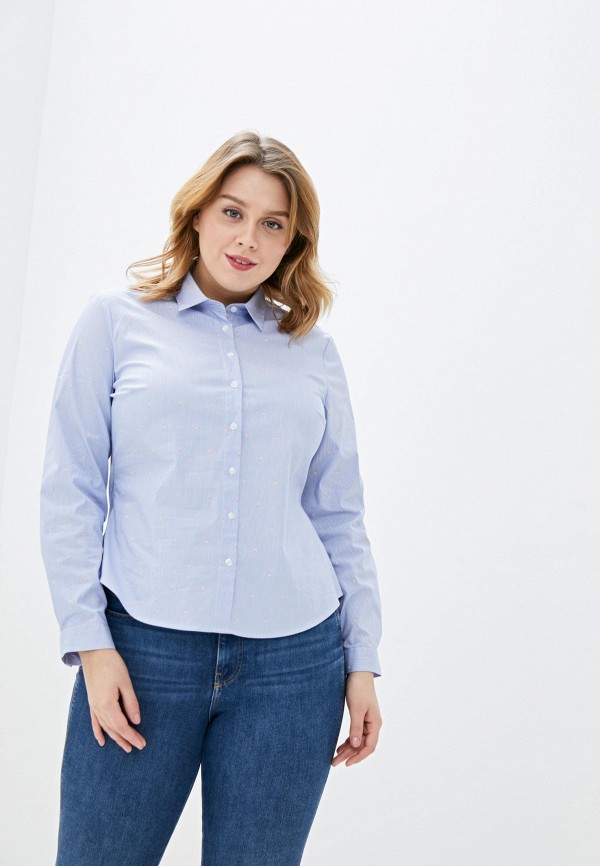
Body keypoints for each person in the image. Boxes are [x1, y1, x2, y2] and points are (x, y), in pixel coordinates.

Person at [39, 129, 383, 866]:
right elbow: (71, 489)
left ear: (293, 242)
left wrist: (362, 660)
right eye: (232, 212)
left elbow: (337, 513)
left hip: (294, 669)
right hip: (143, 653)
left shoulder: (312, 351)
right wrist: (92, 645)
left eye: (273, 223)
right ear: (196, 213)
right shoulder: (115, 322)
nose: (248, 238)